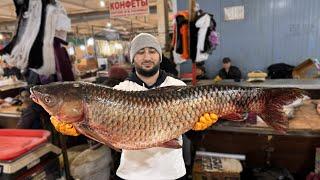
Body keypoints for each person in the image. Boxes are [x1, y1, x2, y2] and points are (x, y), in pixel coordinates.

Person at [48, 33, 217, 180]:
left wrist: (199, 127)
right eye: (140, 52)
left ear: (159, 56)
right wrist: (76, 129)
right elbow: (102, 133)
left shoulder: (178, 86)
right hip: (131, 174)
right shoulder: (119, 92)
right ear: (133, 58)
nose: (147, 57)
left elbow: (191, 136)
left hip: (171, 173)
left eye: (152, 51)